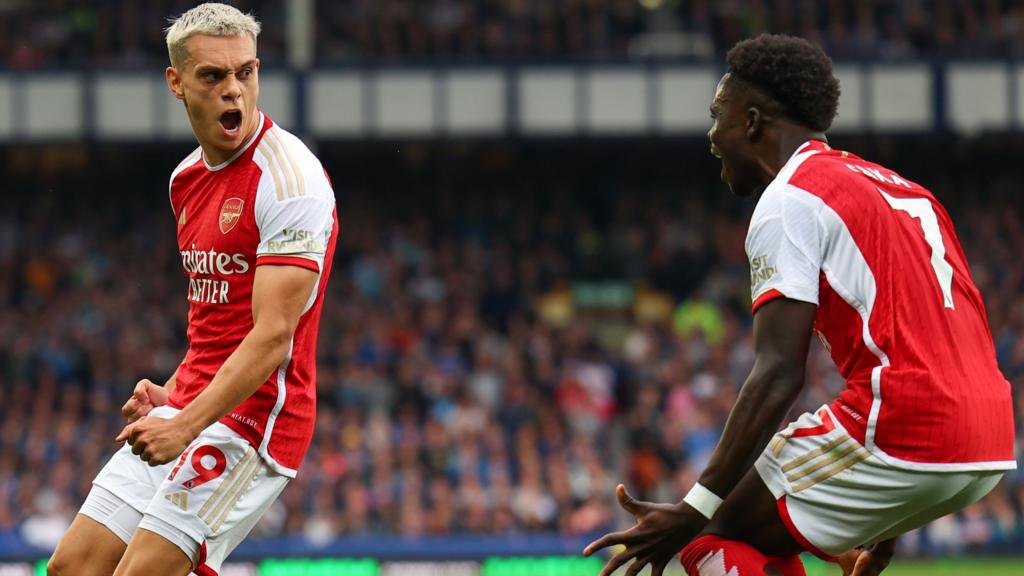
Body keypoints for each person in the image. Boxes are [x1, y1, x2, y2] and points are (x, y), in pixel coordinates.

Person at [584, 33, 1016, 576]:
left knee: (705, 533)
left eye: (718, 114)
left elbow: (778, 373)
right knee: (759, 533)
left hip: (908, 424)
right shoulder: (908, 191)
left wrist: (693, 507)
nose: (712, 134)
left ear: (753, 120)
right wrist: (883, 519)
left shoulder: (790, 199)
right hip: (991, 435)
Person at [47, 4, 338, 575]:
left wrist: (185, 424)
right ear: (176, 83)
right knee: (71, 568)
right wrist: (174, 391)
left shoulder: (290, 179)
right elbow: (216, 324)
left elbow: (272, 336)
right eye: (214, 76)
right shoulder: (186, 179)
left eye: (245, 73)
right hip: (194, 403)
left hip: (256, 421)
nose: (234, 91)